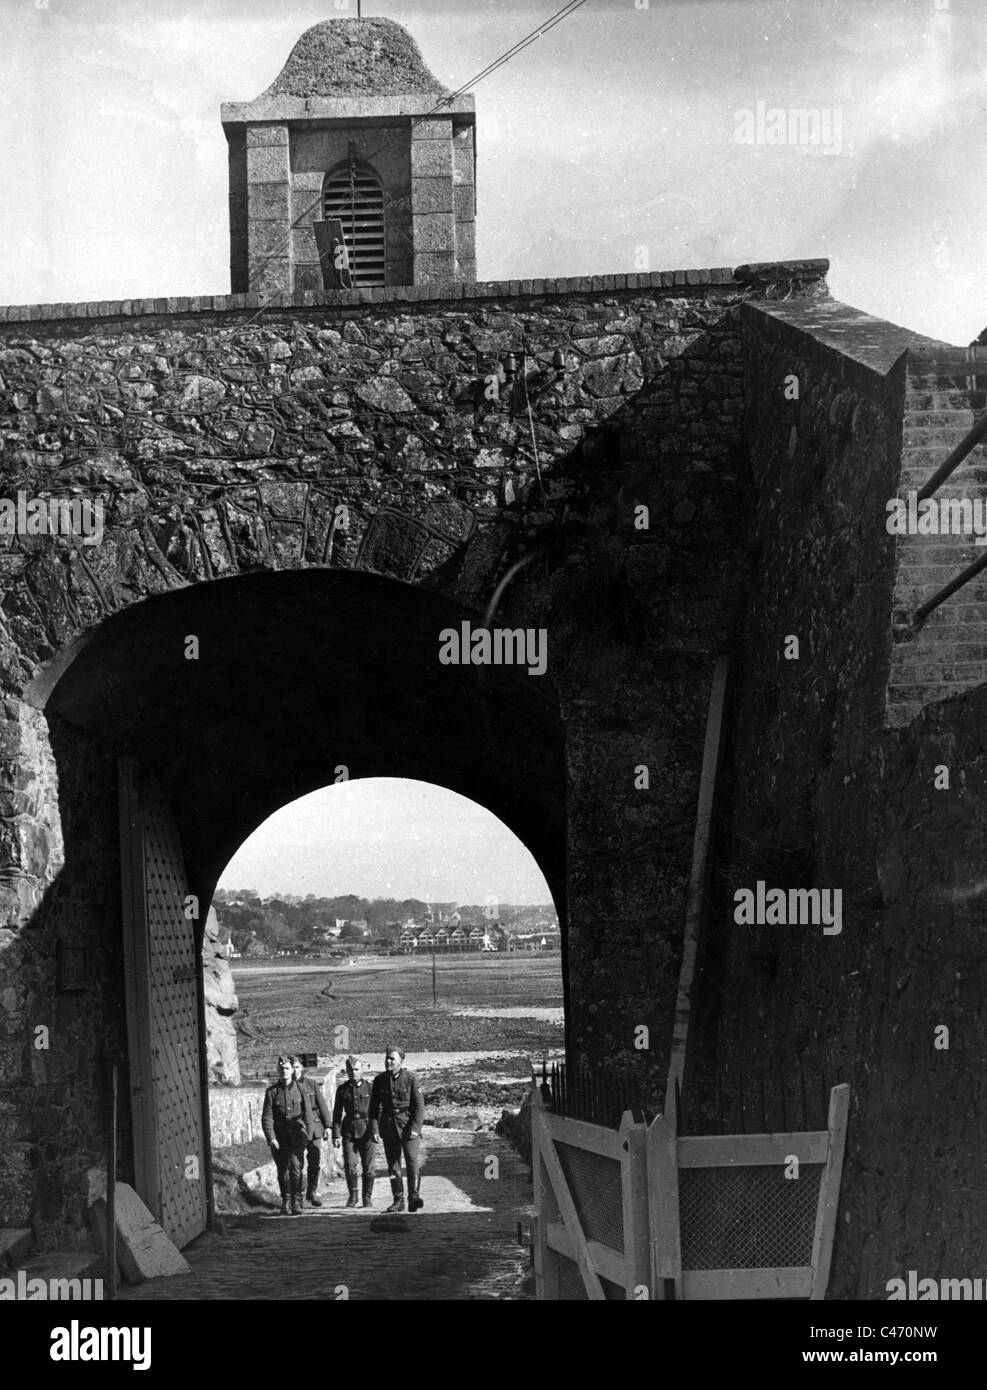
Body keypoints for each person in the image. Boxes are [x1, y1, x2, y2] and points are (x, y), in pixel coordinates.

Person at [369, 1046, 426, 1213]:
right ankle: (398, 1199)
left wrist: (415, 1128)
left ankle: (413, 1197)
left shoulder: (411, 1078)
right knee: (393, 1165)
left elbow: (419, 1107)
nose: (388, 1061)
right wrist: (374, 1129)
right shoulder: (379, 1081)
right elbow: (373, 1108)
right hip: (389, 1128)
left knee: (411, 1162)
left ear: (401, 1061)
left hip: (408, 1127)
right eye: (387, 1058)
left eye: (392, 1059)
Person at [261, 1055, 311, 1216]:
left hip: (297, 1135)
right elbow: (267, 1116)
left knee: (296, 1168)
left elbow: (308, 1114)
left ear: (292, 1070)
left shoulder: (301, 1089)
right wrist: (271, 1137)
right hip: (279, 1137)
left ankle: (297, 1200)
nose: (284, 1071)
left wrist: (308, 1136)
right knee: (282, 1170)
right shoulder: (272, 1092)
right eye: (281, 1068)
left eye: (287, 1068)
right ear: (277, 1070)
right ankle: (286, 1200)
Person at [331, 1055, 377, 1209]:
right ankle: (353, 1195)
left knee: (368, 1166)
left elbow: (377, 1111)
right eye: (350, 1070)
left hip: (367, 1131)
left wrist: (376, 1130)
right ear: (347, 1071)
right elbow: (337, 1113)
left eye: (356, 1069)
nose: (353, 1072)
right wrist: (336, 1134)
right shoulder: (342, 1090)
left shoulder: (370, 1088)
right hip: (349, 1131)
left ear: (362, 1070)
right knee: (350, 1164)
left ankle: (367, 1197)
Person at [292, 1056, 332, 1208]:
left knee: (315, 1159)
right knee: (297, 1163)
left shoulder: (311, 1084)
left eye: (297, 1067)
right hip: (297, 1128)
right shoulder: (288, 1087)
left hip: (314, 1127)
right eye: (293, 1067)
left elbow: (322, 1105)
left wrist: (327, 1126)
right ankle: (298, 1195)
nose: (295, 1070)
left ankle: (312, 1191)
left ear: (302, 1068)